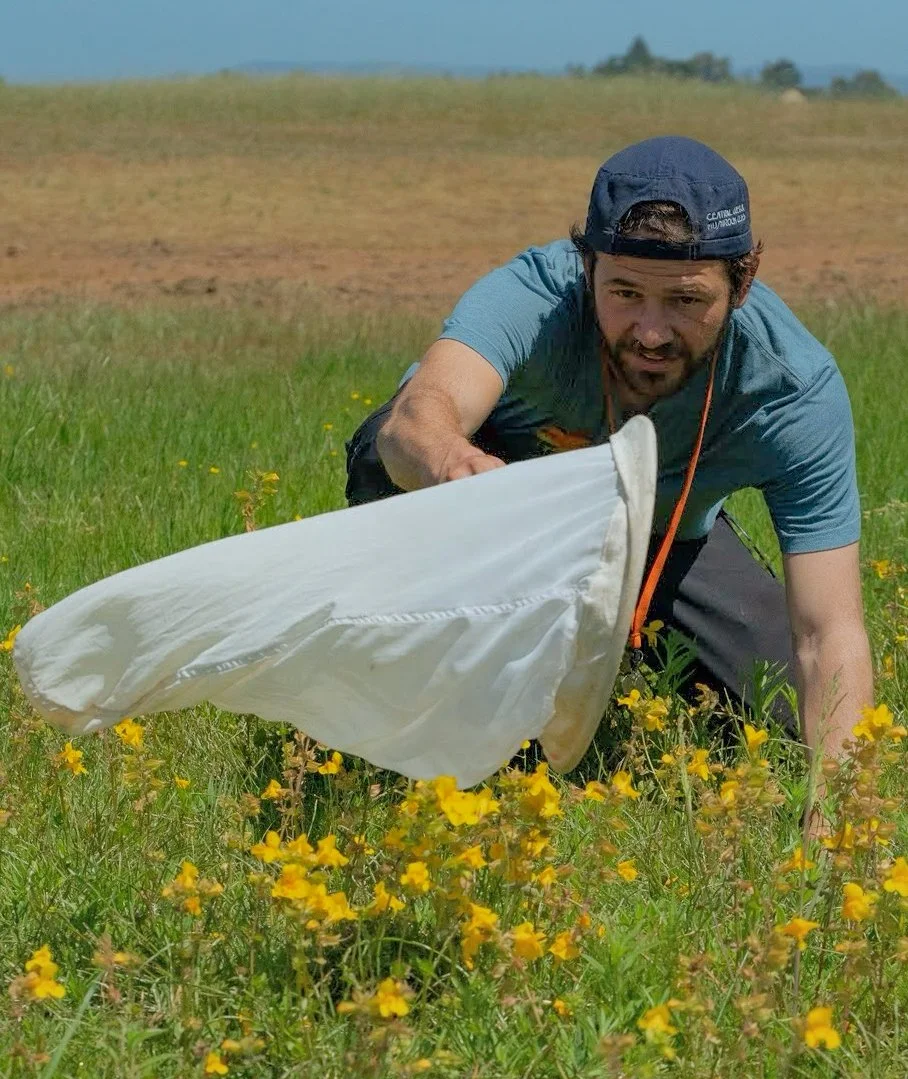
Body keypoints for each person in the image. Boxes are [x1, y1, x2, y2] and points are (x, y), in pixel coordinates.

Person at [345, 136, 872, 762]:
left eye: (686, 300)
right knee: (388, 458)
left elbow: (828, 631)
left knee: (784, 717)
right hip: (490, 514)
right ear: (586, 267)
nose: (650, 333)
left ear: (743, 283)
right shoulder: (538, 297)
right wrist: (459, 471)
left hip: (654, 532)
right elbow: (415, 422)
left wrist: (838, 804)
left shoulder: (793, 392)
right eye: (624, 294)